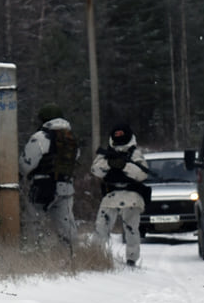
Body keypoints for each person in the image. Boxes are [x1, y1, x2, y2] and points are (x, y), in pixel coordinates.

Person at [18, 103, 80, 252]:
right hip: (66, 187)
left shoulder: (40, 137)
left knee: (33, 222)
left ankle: (32, 255)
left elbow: (26, 164)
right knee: (66, 225)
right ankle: (72, 258)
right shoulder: (70, 138)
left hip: (42, 186)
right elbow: (75, 160)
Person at [91, 123, 151, 267]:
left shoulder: (135, 153)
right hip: (111, 195)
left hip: (132, 196)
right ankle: (96, 257)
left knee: (131, 229)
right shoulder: (106, 153)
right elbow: (95, 170)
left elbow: (142, 174)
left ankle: (131, 259)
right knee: (101, 227)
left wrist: (124, 166)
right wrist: (110, 164)